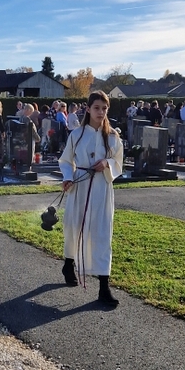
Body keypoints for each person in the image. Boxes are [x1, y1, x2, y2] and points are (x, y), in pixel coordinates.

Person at [59, 90, 124, 308]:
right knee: (74, 227)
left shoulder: (113, 137)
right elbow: (66, 161)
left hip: (101, 188)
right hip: (80, 186)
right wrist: (68, 177)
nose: (101, 112)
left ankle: (104, 287)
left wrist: (107, 163)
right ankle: (69, 263)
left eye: (104, 108)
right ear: (88, 109)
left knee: (102, 233)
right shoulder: (77, 135)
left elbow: (118, 163)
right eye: (96, 108)